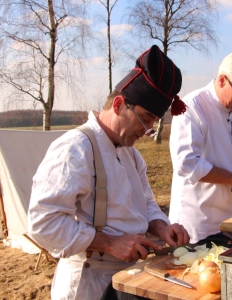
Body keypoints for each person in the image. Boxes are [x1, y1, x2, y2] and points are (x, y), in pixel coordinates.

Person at [27, 45, 189, 300]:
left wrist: (161, 226)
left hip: (132, 277)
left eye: (153, 123)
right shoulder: (75, 149)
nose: (148, 130)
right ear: (118, 104)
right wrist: (109, 243)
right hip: (89, 283)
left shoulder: (131, 153)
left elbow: (145, 203)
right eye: (145, 119)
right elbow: (42, 222)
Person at [168, 51, 232, 248]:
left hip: (231, 222)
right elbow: (187, 164)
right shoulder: (192, 108)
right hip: (196, 225)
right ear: (222, 80)